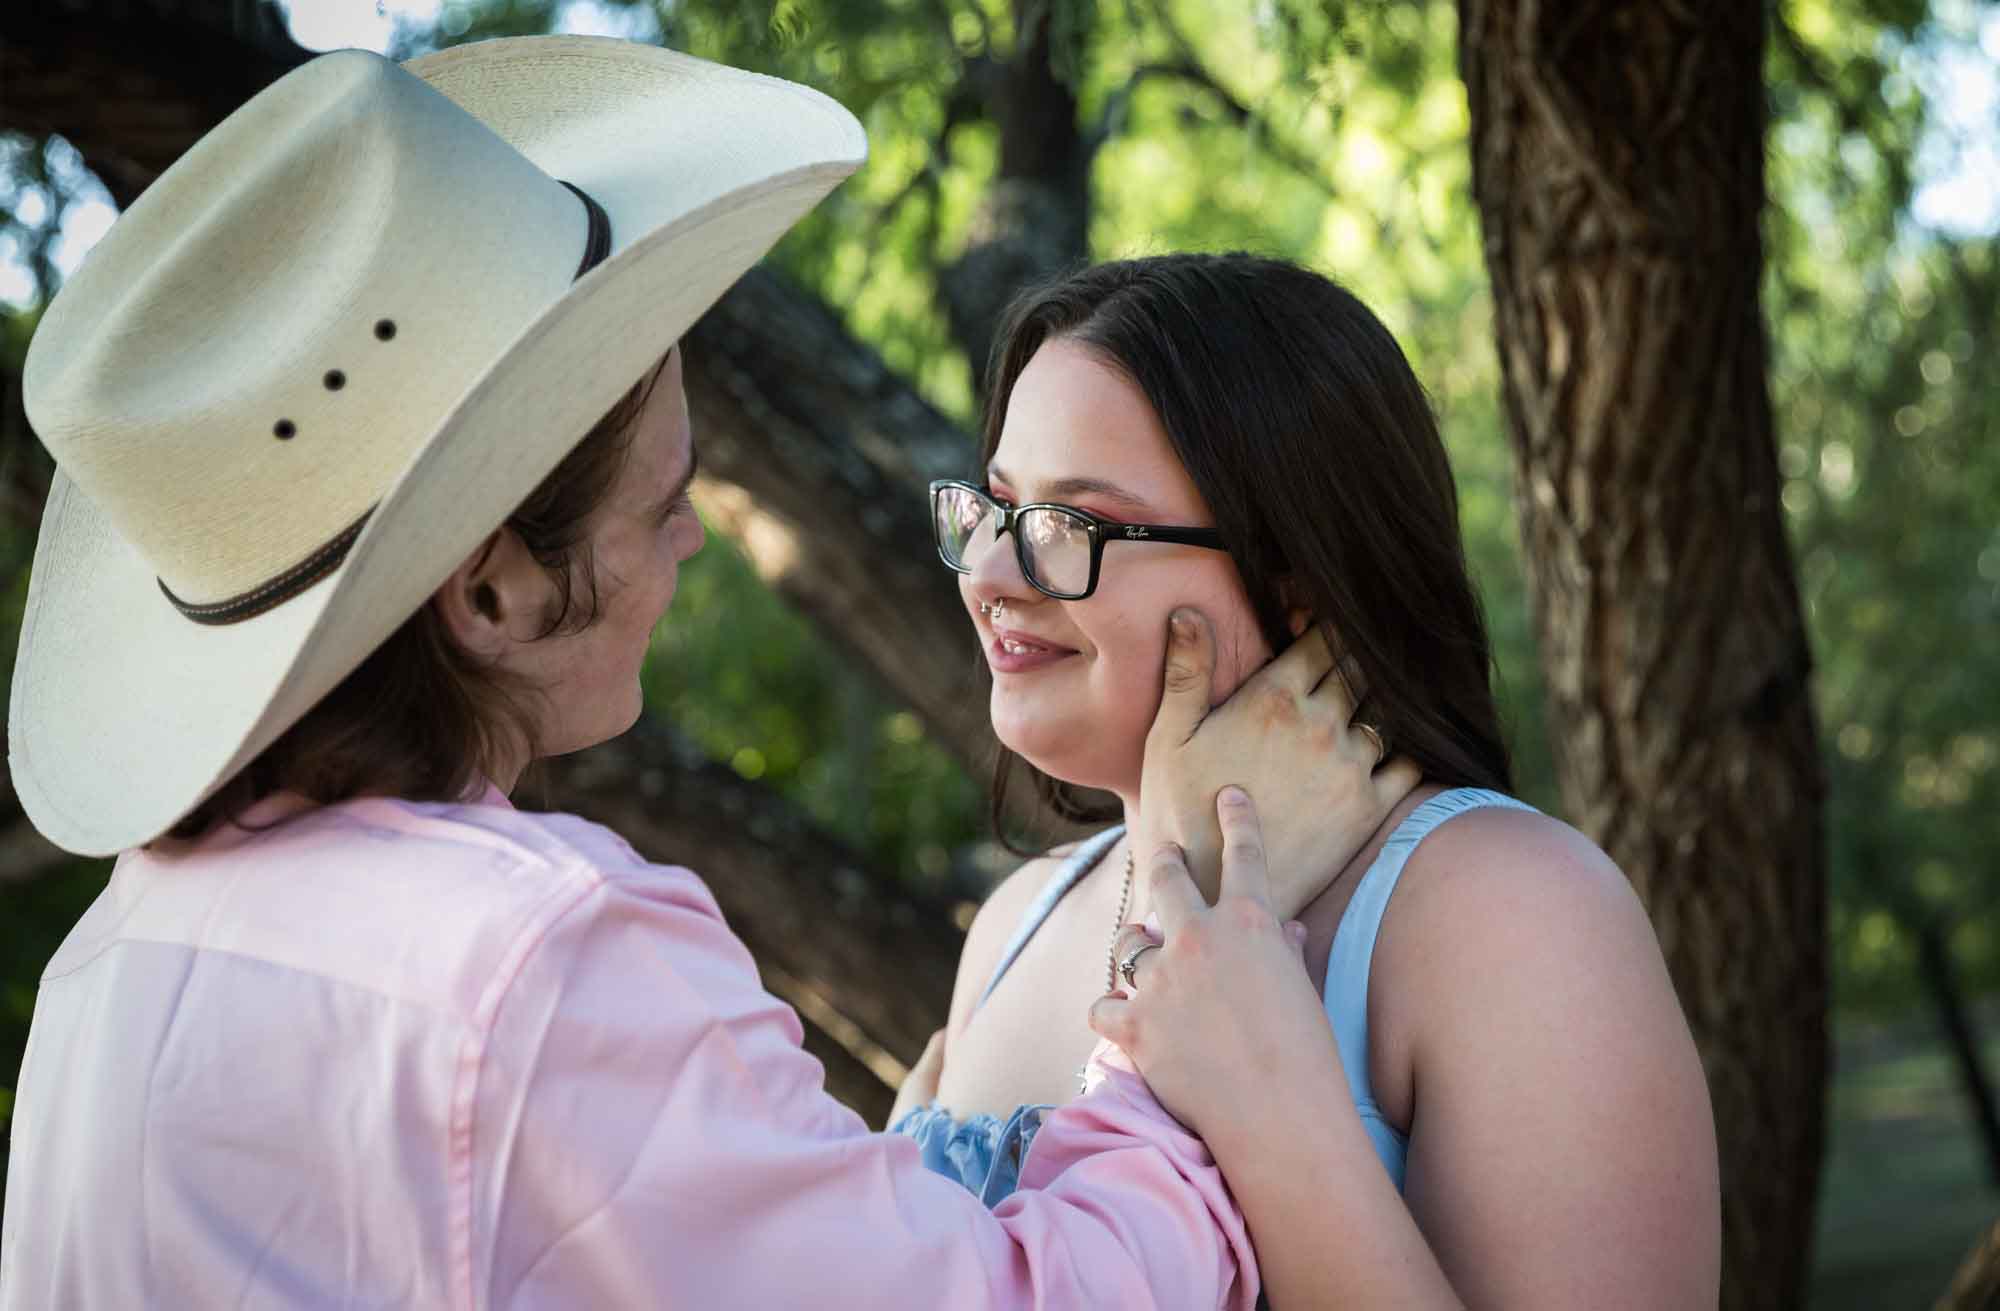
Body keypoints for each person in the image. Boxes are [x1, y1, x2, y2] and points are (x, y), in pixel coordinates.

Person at [0, 40, 1407, 1309]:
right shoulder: (536, 962)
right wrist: (1187, 951)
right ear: (490, 587)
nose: (692, 538)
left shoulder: (105, 970)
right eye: (658, 500)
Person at [889, 254, 1722, 1307]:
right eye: (994, 508)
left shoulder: (1509, 915)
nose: (988, 576)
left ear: (1295, 576)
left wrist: (1268, 1111)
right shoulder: (1011, 923)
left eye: (1068, 527)